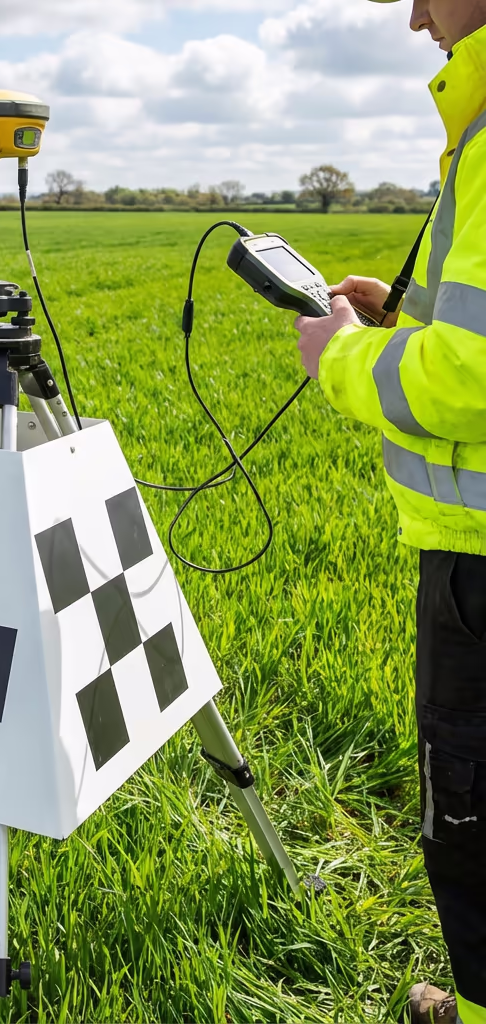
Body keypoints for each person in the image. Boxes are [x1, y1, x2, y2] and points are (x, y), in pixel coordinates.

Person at [294, 1, 486, 1020]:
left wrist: (345, 355)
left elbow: (477, 374)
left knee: (471, 812)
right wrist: (408, 319)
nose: (415, 17)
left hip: (479, 561)